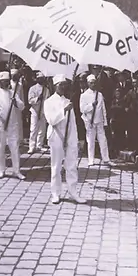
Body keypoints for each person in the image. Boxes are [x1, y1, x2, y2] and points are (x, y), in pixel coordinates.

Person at [44, 75, 86, 204]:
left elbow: (73, 123)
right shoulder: (49, 102)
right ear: (55, 86)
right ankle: (56, 193)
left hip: (69, 136)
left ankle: (73, 192)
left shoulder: (68, 101)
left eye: (64, 84)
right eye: (60, 85)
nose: (62, 87)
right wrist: (64, 110)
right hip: (56, 136)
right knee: (56, 166)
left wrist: (75, 139)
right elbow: (51, 120)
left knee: (72, 165)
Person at [0, 71, 26, 180]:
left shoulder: (12, 93)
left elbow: (22, 106)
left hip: (12, 124)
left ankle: (16, 170)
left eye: (7, 81)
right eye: (4, 81)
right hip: (0, 125)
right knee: (0, 148)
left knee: (15, 148)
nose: (6, 83)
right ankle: (1, 170)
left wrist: (16, 102)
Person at [81, 73, 111, 166]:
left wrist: (105, 121)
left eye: (94, 83)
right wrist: (91, 105)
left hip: (100, 121)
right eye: (91, 83)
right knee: (90, 141)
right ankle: (91, 159)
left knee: (103, 140)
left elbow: (103, 109)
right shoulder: (84, 95)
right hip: (90, 121)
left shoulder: (100, 94)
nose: (93, 84)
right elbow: (82, 109)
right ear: (88, 84)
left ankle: (106, 158)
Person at [28, 72, 51, 154]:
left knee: (42, 129)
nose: (41, 80)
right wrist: (38, 99)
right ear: (37, 79)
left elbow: (48, 100)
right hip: (35, 111)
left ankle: (39, 145)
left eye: (42, 78)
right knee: (33, 129)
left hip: (43, 111)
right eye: (39, 78)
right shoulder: (32, 88)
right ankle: (31, 146)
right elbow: (30, 100)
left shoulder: (46, 89)